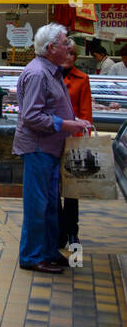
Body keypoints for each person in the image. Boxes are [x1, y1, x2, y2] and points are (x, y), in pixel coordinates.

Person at [13, 23, 93, 273]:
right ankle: (32, 256)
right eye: (64, 41)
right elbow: (31, 116)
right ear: (51, 48)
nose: (69, 45)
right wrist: (66, 124)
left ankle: (46, 252)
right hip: (38, 148)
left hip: (48, 148)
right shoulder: (38, 73)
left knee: (48, 205)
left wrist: (72, 122)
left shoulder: (51, 71)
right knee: (38, 205)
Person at [58, 42, 92, 251]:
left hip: (73, 140)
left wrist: (81, 140)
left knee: (71, 191)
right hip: (52, 138)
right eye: (66, 52)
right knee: (53, 190)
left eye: (73, 54)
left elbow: (86, 113)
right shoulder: (50, 75)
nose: (69, 57)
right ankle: (59, 231)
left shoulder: (82, 79)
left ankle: (72, 232)